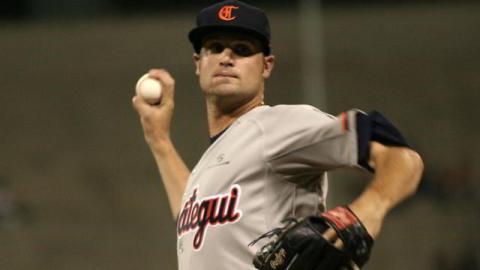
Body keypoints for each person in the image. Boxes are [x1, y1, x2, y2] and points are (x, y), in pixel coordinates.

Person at [132, 1, 424, 269]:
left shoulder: (278, 125)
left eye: (243, 49)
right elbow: (192, 219)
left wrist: (366, 211)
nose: (226, 57)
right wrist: (159, 140)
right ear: (198, 63)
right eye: (215, 46)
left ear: (266, 66)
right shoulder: (209, 164)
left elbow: (403, 158)